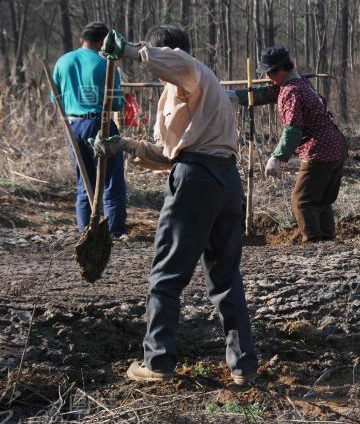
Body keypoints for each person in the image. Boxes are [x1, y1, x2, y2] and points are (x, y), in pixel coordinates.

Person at [92, 25, 258, 385]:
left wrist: (130, 50)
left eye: (156, 57)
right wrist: (124, 145)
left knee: (165, 275)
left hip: (198, 181)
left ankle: (157, 362)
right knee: (226, 277)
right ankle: (244, 367)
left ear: (168, 53)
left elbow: (171, 62)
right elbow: (171, 154)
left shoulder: (190, 68)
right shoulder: (186, 92)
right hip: (224, 182)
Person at [259, 47, 348, 242]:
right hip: (336, 146)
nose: (267, 76)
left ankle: (314, 244)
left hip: (319, 150)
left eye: (270, 72)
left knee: (302, 201)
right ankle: (328, 242)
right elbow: (267, 94)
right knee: (322, 201)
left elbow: (292, 130)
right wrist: (236, 96)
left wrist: (277, 157)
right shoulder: (301, 84)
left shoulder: (291, 91)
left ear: (282, 70)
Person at [52, 22, 126, 238]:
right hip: (99, 122)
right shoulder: (106, 62)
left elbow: (55, 100)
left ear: (83, 39)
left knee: (85, 180)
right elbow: (116, 104)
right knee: (111, 178)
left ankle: (85, 231)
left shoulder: (62, 61)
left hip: (73, 125)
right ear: (103, 42)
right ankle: (114, 231)